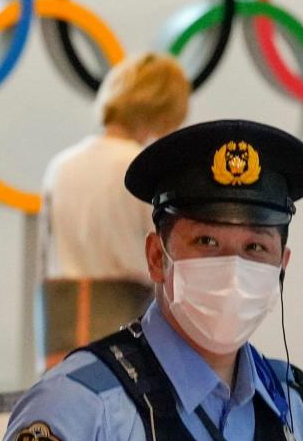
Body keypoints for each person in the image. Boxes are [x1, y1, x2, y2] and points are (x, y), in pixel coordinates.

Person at [0, 119, 303, 441]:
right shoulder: (80, 409)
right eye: (206, 243)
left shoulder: (289, 403)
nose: (233, 269)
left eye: (255, 247)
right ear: (157, 257)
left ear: (281, 266)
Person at [39, 53, 191, 365]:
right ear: (164, 110)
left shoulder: (61, 166)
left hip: (63, 327)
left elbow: (46, 254)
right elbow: (165, 255)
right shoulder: (142, 169)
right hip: (127, 322)